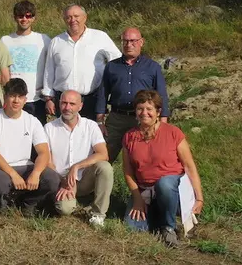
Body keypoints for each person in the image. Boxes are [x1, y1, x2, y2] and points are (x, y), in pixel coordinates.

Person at [122, 90, 204, 247]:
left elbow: (189, 166)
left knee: (164, 184)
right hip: (145, 190)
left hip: (172, 187)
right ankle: (159, 215)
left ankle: (168, 227)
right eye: (140, 109)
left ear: (158, 112)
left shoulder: (173, 132)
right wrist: (137, 198)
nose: (144, 113)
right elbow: (128, 171)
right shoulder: (128, 136)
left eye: (149, 109)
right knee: (134, 228)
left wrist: (199, 197)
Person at [0, 79, 59, 216]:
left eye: (20, 96)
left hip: (25, 165)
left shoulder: (32, 121)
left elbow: (43, 152)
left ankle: (29, 203)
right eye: (12, 96)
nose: (16, 100)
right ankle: (3, 205)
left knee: (52, 179)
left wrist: (35, 173)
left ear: (25, 99)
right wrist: (13, 174)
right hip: (0, 168)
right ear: (5, 96)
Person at [96, 27, 170, 162]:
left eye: (133, 41)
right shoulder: (112, 66)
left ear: (141, 42)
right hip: (116, 119)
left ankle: (140, 183)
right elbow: (103, 93)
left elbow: (161, 95)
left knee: (142, 158)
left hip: (143, 118)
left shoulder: (152, 67)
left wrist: (163, 121)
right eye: (125, 41)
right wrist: (100, 121)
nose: (128, 45)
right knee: (103, 158)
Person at [42, 4, 121, 121]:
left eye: (76, 16)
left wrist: (111, 89)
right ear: (64, 20)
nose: (72, 20)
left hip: (91, 100)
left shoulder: (100, 37)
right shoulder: (56, 42)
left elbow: (116, 62)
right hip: (64, 101)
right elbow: (49, 71)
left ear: (85, 17)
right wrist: (49, 99)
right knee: (64, 135)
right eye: (68, 17)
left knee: (90, 137)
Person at [45, 90, 112, 228]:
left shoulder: (91, 126)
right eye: (64, 103)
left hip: (84, 177)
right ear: (59, 104)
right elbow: (47, 161)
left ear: (80, 106)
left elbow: (103, 154)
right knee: (64, 210)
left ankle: (98, 214)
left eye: (72, 104)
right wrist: (63, 181)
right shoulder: (49, 128)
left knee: (105, 167)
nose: (67, 107)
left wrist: (76, 167)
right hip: (61, 180)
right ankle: (77, 204)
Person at [1, 0, 50, 125]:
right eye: (20, 16)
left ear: (33, 18)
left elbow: (52, 67)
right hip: (13, 99)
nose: (24, 19)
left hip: (36, 99)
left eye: (28, 16)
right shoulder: (5, 40)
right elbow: (1, 71)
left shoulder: (44, 39)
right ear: (15, 17)